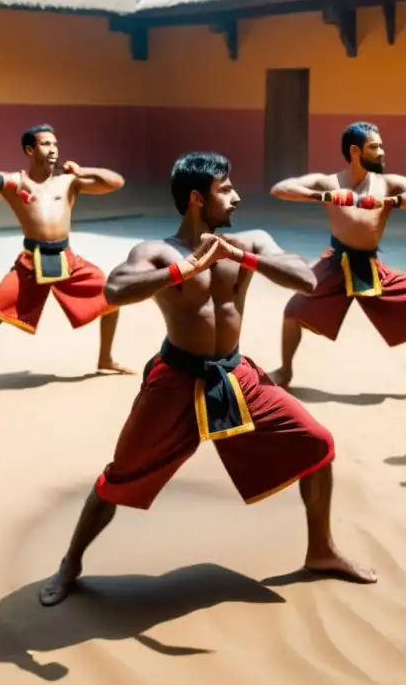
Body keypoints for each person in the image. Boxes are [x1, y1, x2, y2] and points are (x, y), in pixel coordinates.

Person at [38, 151, 377, 607]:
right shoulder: (158, 252)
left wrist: (239, 256)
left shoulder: (250, 241)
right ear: (197, 199)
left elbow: (305, 280)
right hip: (177, 380)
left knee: (317, 444)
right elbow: (114, 289)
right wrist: (184, 270)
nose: (236, 197)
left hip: (237, 376)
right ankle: (71, 563)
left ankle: (321, 550)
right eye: (226, 189)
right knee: (119, 477)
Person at [267, 121, 406, 395]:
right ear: (355, 151)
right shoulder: (330, 181)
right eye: (374, 147)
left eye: (381, 146)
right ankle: (285, 371)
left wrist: (388, 202)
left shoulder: (388, 184)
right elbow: (280, 188)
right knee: (294, 311)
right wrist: (325, 196)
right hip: (334, 263)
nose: (382, 152)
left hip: (371, 266)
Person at [0, 124, 131, 389]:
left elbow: (116, 182)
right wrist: (4, 178)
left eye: (55, 144)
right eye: (46, 144)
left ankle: (105, 359)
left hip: (67, 259)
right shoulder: (17, 183)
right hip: (30, 262)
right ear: (30, 149)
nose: (53, 149)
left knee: (112, 296)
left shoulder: (69, 181)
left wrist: (82, 171)